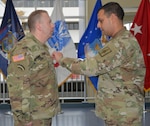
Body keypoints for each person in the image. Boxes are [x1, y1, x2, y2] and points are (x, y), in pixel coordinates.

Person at [52, 2, 146, 126]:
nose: (98, 25)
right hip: (120, 111)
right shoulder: (121, 40)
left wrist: (62, 59)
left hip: (123, 114)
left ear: (112, 18)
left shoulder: (120, 44)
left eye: (101, 21)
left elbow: (90, 68)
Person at [6, 10, 60, 126]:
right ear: (39, 26)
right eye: (49, 22)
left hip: (42, 113)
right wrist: (23, 118)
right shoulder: (24, 49)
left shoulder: (40, 47)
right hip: (32, 117)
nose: (53, 25)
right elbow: (17, 85)